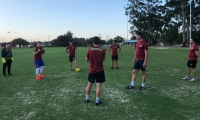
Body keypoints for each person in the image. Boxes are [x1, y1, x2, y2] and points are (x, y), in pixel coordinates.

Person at [85, 36, 106, 106]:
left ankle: (87, 98)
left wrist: (91, 63)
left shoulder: (90, 49)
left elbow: (86, 59)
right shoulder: (102, 50)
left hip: (92, 69)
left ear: (93, 42)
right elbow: (103, 59)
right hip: (100, 69)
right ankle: (97, 101)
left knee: (89, 84)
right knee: (99, 85)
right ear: (99, 42)